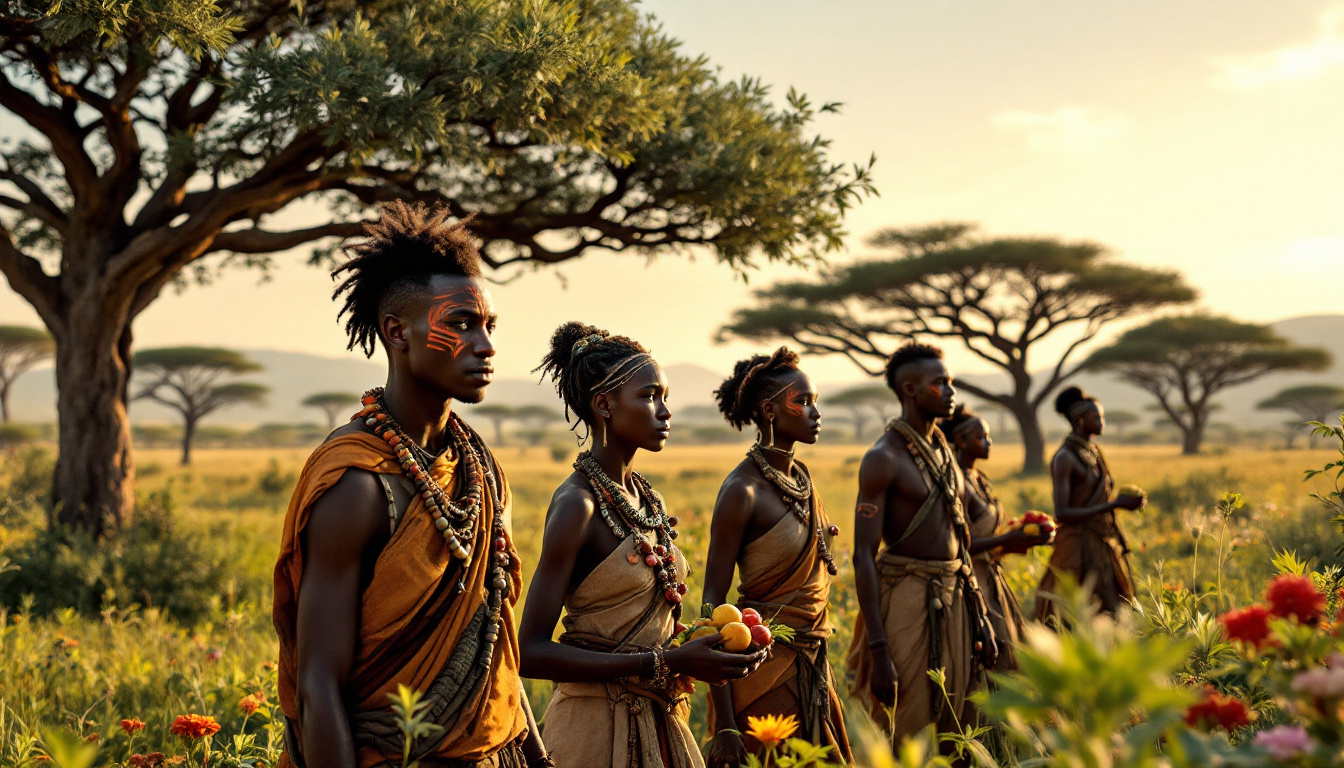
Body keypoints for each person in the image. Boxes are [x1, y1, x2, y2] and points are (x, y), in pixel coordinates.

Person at [272, 202, 549, 768]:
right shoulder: (355, 484)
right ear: (398, 332)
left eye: (489, 327)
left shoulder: (479, 469)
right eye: (461, 324)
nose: (487, 346)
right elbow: (317, 684)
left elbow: (493, 645)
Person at [519, 322, 767, 768]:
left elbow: (661, 634)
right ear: (604, 405)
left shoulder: (648, 498)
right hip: (590, 730)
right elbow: (531, 651)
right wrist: (663, 660)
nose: (665, 411)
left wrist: (717, 650)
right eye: (649, 396)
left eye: (665, 396)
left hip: (663, 721)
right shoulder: (577, 506)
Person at [701, 348, 853, 768]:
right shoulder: (741, 491)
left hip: (813, 663)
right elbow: (713, 601)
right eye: (801, 402)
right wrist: (726, 724)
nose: (814, 412)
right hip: (764, 669)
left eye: (815, 401)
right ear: (769, 410)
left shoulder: (801, 478)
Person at [846, 343, 998, 748]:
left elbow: (960, 539)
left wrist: (979, 611)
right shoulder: (884, 458)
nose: (950, 391)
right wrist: (878, 651)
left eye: (949, 382)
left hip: (955, 596)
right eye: (940, 383)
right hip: (908, 599)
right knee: (904, 728)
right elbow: (863, 555)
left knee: (960, 725)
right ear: (910, 390)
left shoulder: (944, 450)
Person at [939, 406, 1050, 673]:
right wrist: (1010, 537)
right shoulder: (956, 481)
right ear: (962, 441)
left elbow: (987, 540)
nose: (989, 443)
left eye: (988, 436)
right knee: (987, 658)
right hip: (969, 581)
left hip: (991, 577)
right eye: (982, 437)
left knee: (1008, 653)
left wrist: (1018, 541)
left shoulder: (978, 479)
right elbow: (959, 544)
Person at [1033, 386, 1144, 624]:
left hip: (1101, 543)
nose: (1102, 422)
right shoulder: (1065, 458)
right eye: (1097, 417)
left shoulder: (1093, 452)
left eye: (1102, 417)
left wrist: (1125, 504)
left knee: (1112, 612)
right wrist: (1115, 505)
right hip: (1075, 548)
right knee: (1069, 616)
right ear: (1079, 420)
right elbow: (1062, 513)